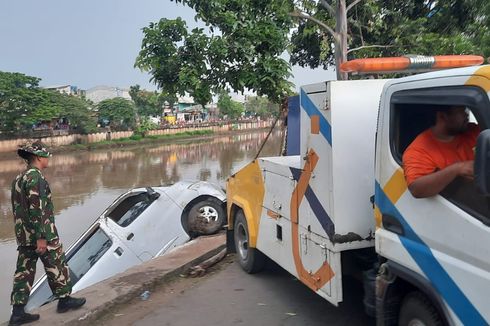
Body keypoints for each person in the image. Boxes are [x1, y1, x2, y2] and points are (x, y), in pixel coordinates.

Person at [9, 141, 86, 326]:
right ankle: (64, 300)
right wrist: (42, 238)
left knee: (24, 272)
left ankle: (17, 312)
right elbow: (38, 209)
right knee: (57, 264)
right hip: (42, 234)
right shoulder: (36, 178)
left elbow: (18, 210)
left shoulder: (19, 179)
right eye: (46, 155)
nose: (48, 158)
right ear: (37, 157)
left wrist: (29, 236)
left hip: (24, 235)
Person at [402, 105, 480, 198]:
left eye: (466, 110)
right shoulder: (418, 150)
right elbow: (416, 189)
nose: (466, 114)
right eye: (461, 111)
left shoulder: (473, 130)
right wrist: (457, 169)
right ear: (442, 116)